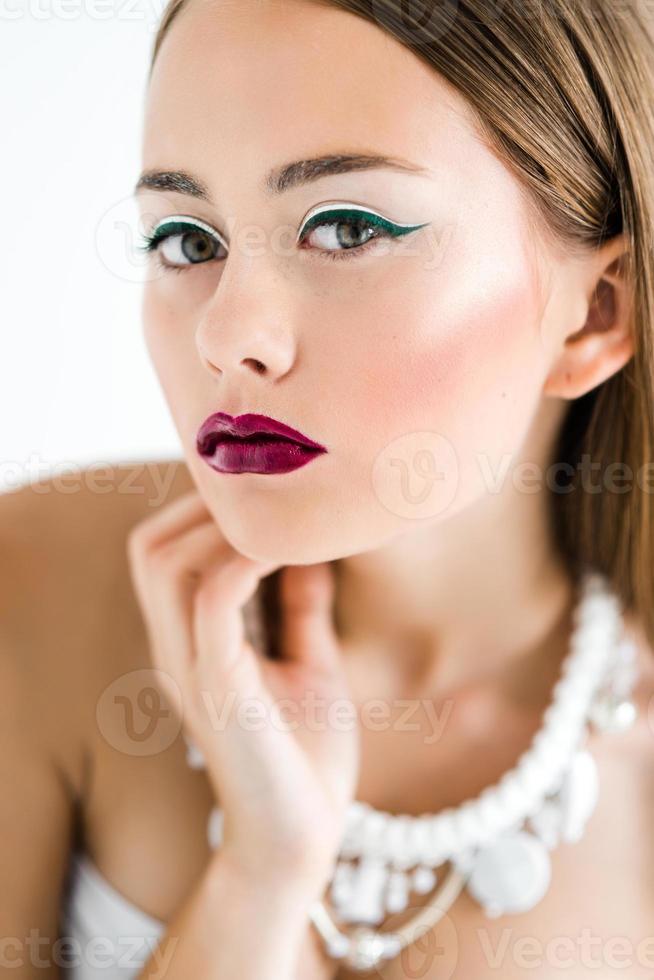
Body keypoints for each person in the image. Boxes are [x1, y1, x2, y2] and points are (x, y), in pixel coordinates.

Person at [3, 0, 654, 977]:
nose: (228, 334)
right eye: (187, 239)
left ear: (593, 315)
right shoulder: (32, 585)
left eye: (346, 227)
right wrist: (260, 875)